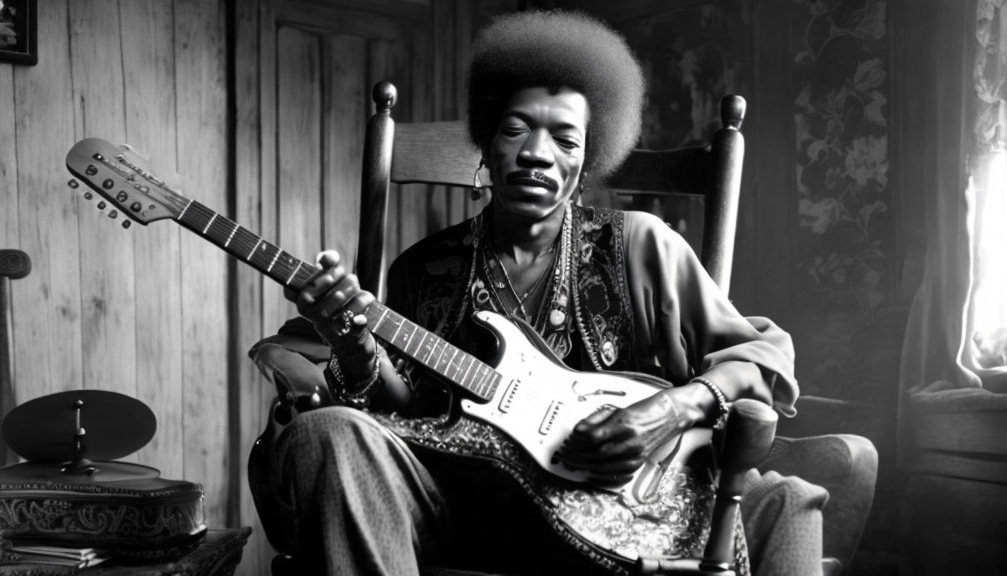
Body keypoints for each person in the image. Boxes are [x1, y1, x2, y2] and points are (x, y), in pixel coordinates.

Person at [250, 10, 827, 576]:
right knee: (324, 433)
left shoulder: (641, 246)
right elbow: (399, 419)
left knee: (791, 500)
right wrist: (352, 346)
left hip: (619, 515)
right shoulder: (423, 269)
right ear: (487, 140)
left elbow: (765, 357)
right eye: (516, 128)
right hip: (465, 508)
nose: (537, 153)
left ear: (587, 158)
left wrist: (672, 409)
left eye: (565, 139)